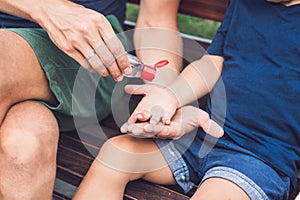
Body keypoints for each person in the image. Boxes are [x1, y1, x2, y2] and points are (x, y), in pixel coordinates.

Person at [73, 0, 300, 199]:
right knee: (116, 154)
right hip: (202, 136)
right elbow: (213, 61)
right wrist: (170, 96)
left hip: (258, 159)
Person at [0, 0, 182, 199]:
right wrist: (46, 8)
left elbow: (154, 20)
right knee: (24, 147)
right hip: (17, 49)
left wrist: (164, 90)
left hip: (91, 53)